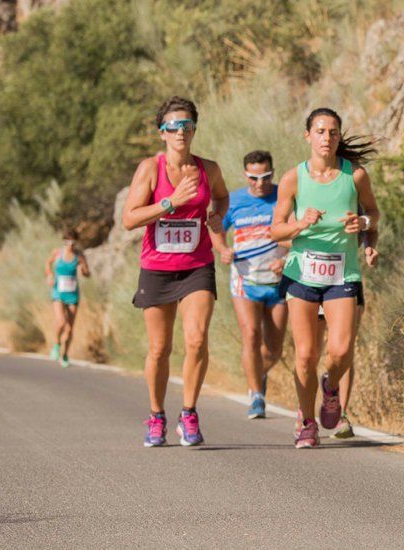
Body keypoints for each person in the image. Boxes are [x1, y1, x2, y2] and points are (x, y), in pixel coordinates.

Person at [271, 107, 381, 449]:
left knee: (342, 349)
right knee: (305, 354)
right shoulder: (293, 178)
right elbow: (276, 230)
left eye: (333, 132)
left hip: (342, 272)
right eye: (320, 131)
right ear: (308, 136)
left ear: (338, 137)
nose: (327, 138)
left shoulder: (355, 175)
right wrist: (300, 223)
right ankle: (306, 422)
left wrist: (363, 227)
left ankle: (330, 388)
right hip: (302, 273)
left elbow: (374, 214)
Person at [122, 96, 229, 447]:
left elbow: (223, 198)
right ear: (162, 133)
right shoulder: (150, 169)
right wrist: (171, 202)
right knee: (159, 349)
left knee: (196, 339)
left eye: (186, 125)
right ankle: (156, 415)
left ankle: (189, 412)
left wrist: (217, 216)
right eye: (173, 126)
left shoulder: (207, 169)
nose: (180, 132)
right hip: (157, 269)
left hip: (197, 266)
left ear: (194, 129)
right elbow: (129, 219)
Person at [216, 150, 288, 419]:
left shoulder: (284, 196)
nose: (260, 183)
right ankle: (256, 395)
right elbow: (216, 229)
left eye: (266, 176)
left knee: (274, 349)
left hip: (278, 281)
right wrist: (222, 249)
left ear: (273, 172)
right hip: (245, 280)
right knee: (251, 336)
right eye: (254, 178)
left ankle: (258, 374)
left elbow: (297, 231)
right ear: (245, 175)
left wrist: (287, 256)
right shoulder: (233, 201)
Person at [315, 226, 379, 438]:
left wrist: (370, 247)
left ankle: (340, 413)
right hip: (310, 278)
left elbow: (371, 226)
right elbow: (282, 234)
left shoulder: (355, 194)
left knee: (345, 349)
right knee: (311, 351)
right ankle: (304, 411)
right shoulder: (301, 192)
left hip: (346, 278)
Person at [44, 229, 91, 368]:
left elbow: (87, 273)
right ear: (64, 241)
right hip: (58, 292)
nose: (69, 244)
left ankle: (65, 355)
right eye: (66, 241)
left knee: (70, 328)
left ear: (76, 242)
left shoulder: (79, 255)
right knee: (61, 321)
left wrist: (84, 270)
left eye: (72, 241)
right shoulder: (57, 253)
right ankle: (57, 344)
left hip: (72, 294)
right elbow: (48, 264)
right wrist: (49, 275)